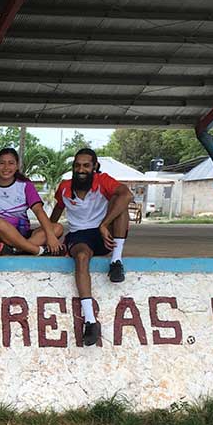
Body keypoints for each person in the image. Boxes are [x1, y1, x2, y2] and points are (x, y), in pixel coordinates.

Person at [50, 148, 133, 346]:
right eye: (77, 165)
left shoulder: (102, 180)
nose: (81, 169)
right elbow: (57, 210)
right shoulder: (64, 187)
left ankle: (116, 260)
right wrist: (48, 233)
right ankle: (90, 320)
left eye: (86, 165)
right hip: (79, 235)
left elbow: (127, 194)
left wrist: (104, 224)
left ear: (94, 166)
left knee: (121, 204)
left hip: (103, 232)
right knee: (80, 258)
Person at [0, 148, 63, 256]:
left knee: (57, 228)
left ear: (17, 166)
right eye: (2, 163)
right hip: (0, 237)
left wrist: (51, 236)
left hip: (24, 234)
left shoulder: (25, 185)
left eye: (11, 163)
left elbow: (38, 211)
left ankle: (17, 250)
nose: (6, 167)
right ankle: (36, 250)